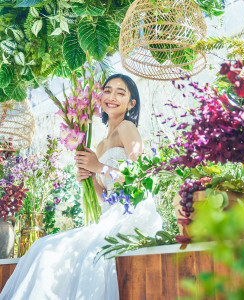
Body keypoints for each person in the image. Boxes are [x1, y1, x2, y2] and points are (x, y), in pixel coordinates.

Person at [0, 74, 162, 300]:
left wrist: (98, 166)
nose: (112, 96)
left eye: (120, 92)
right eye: (107, 90)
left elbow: (140, 177)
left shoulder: (127, 127)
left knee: (50, 250)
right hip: (110, 214)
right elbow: (105, 198)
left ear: (131, 103)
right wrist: (89, 177)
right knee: (40, 247)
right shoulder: (101, 143)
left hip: (130, 215)